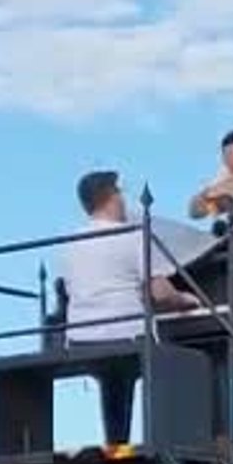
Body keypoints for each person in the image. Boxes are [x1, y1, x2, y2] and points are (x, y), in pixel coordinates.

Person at [61, 168, 195, 443]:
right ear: (112, 197)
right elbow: (160, 293)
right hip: (125, 338)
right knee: (190, 363)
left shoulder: (71, 243)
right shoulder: (132, 237)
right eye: (120, 193)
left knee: (115, 375)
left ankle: (116, 443)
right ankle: (173, 442)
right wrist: (185, 300)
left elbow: (71, 290)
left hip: (80, 339)